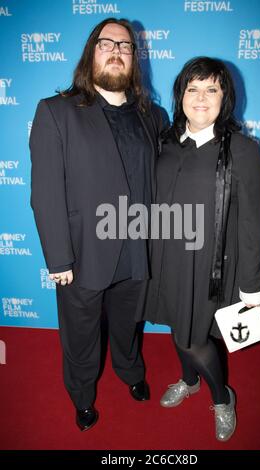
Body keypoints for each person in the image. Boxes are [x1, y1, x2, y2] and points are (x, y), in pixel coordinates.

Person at [30, 18, 165, 432]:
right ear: (91, 54)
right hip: (82, 253)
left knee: (128, 325)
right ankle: (83, 396)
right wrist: (58, 257)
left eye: (125, 46)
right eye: (106, 43)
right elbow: (46, 191)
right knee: (82, 335)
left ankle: (130, 373)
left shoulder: (153, 116)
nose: (116, 51)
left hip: (137, 252)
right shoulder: (56, 111)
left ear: (134, 59)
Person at [136, 57, 260, 441]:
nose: (200, 97)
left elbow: (253, 222)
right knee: (180, 327)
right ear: (180, 95)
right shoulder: (166, 142)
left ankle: (221, 397)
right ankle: (188, 380)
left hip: (210, 265)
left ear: (225, 97)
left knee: (192, 338)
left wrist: (253, 282)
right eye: (192, 88)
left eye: (211, 88)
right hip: (166, 259)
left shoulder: (241, 150)